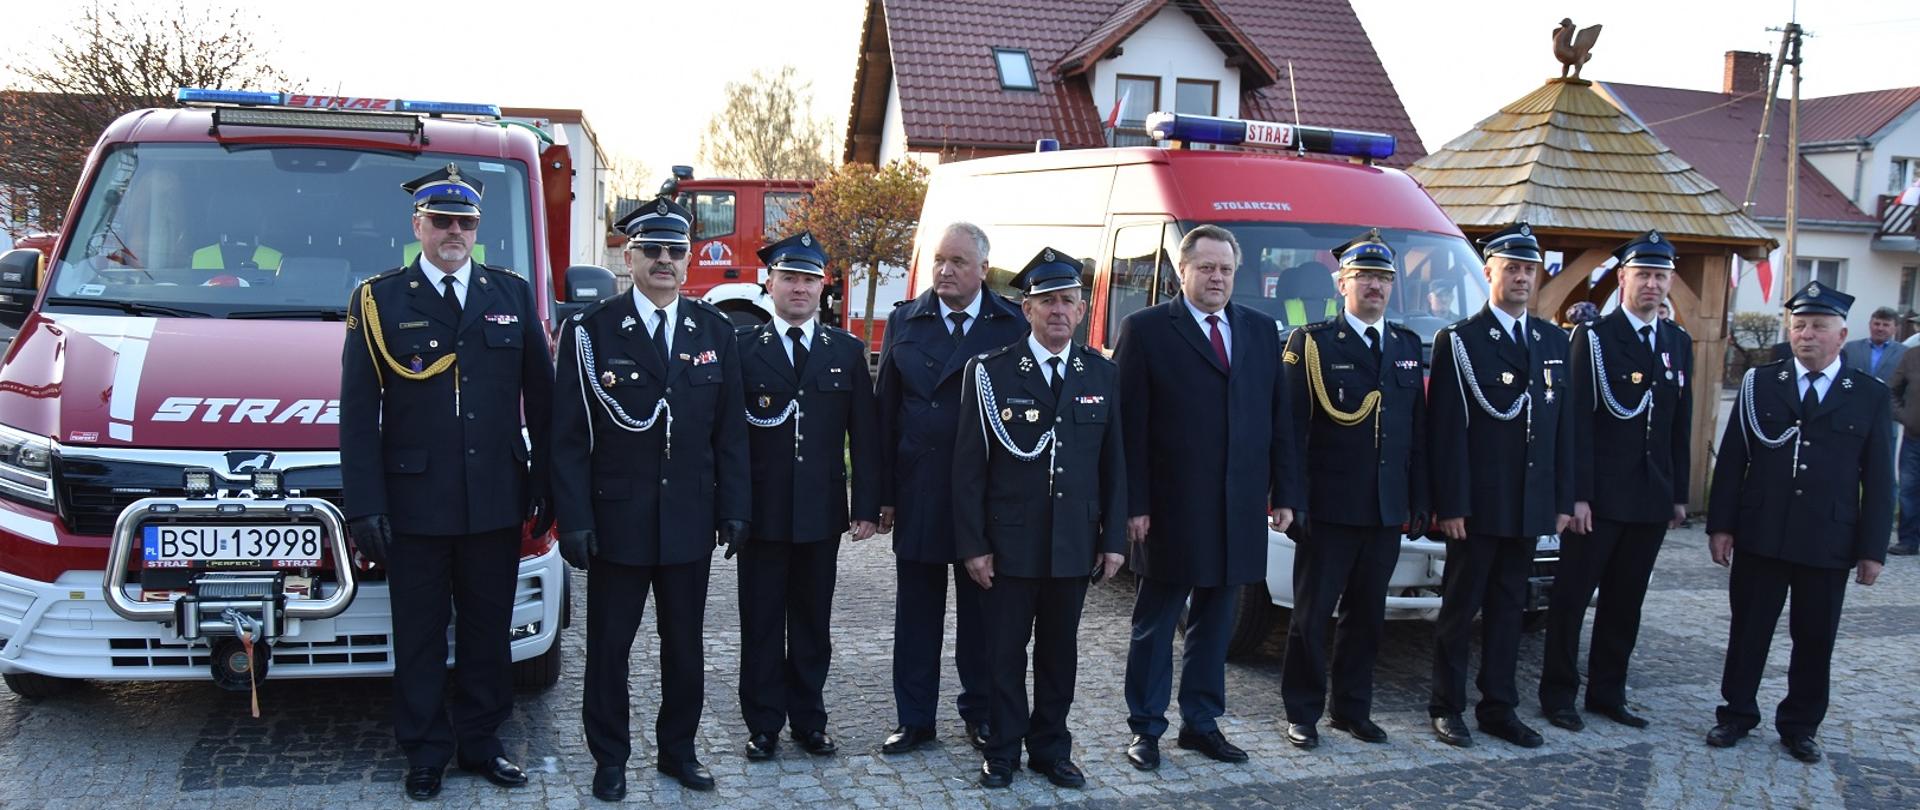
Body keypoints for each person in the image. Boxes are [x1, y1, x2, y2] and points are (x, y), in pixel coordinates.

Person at [339, 164, 553, 801]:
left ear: (477, 229)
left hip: (494, 498)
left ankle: (483, 743)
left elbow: (541, 399)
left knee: (489, 631)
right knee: (422, 635)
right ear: (418, 227)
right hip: (415, 504)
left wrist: (545, 480)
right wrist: (365, 505)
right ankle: (426, 750)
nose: (454, 232)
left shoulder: (510, 295)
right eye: (441, 221)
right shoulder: (379, 301)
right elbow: (357, 413)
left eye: (465, 222)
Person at [551, 195, 749, 799]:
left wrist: (735, 508)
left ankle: (678, 751)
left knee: (684, 649)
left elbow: (730, 433)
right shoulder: (591, 330)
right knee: (610, 649)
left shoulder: (715, 329)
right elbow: (567, 437)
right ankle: (609, 757)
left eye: (676, 251)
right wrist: (574, 519)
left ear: (688, 261)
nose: (665, 261)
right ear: (628, 255)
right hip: (617, 521)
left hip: (688, 519)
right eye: (653, 250)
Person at [1117, 224, 1297, 771]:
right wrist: (1134, 503)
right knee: (1155, 623)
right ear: (1182, 271)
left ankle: (1201, 722)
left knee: (1216, 622)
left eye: (1225, 269)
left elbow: (1279, 420)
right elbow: (1128, 428)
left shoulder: (1262, 330)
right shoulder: (1145, 330)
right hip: (1171, 509)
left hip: (1238, 506)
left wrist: (1285, 491)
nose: (1216, 277)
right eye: (1207, 267)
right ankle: (1146, 728)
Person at [955, 249, 1126, 790]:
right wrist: (974, 544)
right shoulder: (990, 372)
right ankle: (1002, 748)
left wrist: (1114, 539)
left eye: (1068, 301)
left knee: (1060, 654)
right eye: (1047, 300)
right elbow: (968, 469)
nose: (1058, 311)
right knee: (1003, 652)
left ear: (1081, 311)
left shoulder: (1101, 372)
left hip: (1073, 543)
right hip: (1009, 543)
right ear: (1026, 308)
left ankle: (1051, 748)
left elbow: (1115, 464)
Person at [1706, 281, 1892, 763]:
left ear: (1841, 334)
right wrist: (1721, 525)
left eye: (1818, 326)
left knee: (1814, 637)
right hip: (1762, 531)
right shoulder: (1760, 383)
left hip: (1827, 538)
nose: (1806, 334)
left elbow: (1879, 478)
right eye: (1799, 326)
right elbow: (1732, 461)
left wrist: (1872, 550)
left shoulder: (1867, 394)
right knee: (1749, 630)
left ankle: (1800, 724)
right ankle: (1736, 714)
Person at [873, 222, 1029, 755]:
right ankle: (914, 718)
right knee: (916, 614)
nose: (944, 270)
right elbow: (884, 413)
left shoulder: (1010, 323)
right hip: (919, 487)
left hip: (984, 498)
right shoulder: (905, 320)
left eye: (958, 261)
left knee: (982, 613)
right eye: (940, 259)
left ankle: (980, 712)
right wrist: (880, 495)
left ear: (984, 269)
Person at [1277, 229, 1428, 750]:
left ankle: (1351, 709)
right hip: (1329, 509)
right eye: (1364, 277)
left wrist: (1420, 500)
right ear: (1342, 282)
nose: (1375, 287)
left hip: (1385, 509)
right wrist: (1290, 499)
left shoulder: (1406, 347)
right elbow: (1292, 432)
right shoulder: (1313, 344)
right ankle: (1302, 712)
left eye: (1383, 279)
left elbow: (1417, 435)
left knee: (1367, 616)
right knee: (1311, 616)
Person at [1425, 221, 1573, 750]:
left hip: (1528, 504)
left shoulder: (1553, 341)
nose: (1521, 278)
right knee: (1460, 610)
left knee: (1512, 609)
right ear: (1488, 272)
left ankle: (1499, 706)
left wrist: (1561, 499)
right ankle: (1447, 706)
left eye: (1529, 269)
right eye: (1511, 268)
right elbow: (1446, 433)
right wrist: (1452, 504)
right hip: (1478, 505)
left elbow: (1563, 430)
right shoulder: (1461, 341)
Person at [1539, 230, 1694, 732]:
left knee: (1626, 602)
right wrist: (1577, 494)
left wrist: (1678, 494)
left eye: (1660, 275)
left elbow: (1678, 421)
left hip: (1649, 496)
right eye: (1643, 274)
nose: (1652, 284)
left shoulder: (1676, 341)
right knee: (1571, 600)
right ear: (1622, 278)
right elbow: (1575, 422)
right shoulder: (1595, 338)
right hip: (1599, 498)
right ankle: (1558, 693)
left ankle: (1608, 691)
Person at [734, 232, 879, 762]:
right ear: (768, 283)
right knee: (762, 622)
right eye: (789, 278)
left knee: (814, 624)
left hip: (820, 516)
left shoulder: (844, 351)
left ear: (824, 288)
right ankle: (764, 724)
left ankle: (809, 721)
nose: (799, 288)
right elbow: (729, 438)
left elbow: (865, 436)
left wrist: (865, 505)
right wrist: (731, 508)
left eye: (809, 279)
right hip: (762, 515)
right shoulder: (742, 348)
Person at [1888, 345, 1920, 555]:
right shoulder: (1913, 355)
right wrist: (1904, 416)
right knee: (1909, 490)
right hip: (1914, 437)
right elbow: (1892, 390)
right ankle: (1908, 540)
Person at [1840, 306, 1907, 383]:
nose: (1880, 328)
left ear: (1896, 329)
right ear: (1870, 325)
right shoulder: (1851, 348)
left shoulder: (1904, 353)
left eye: (1886, 325)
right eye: (1876, 324)